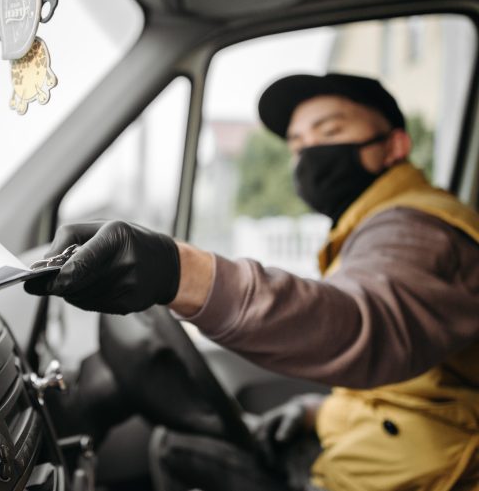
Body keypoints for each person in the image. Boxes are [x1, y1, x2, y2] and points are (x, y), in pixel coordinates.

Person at [25, 73, 479, 491]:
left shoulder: (418, 229)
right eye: (298, 143)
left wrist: (181, 271)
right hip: (380, 451)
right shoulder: (375, 226)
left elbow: (364, 322)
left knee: (171, 448)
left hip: (419, 477)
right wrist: (312, 412)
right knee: (174, 444)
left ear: (395, 145)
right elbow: (419, 387)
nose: (308, 152)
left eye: (331, 132)